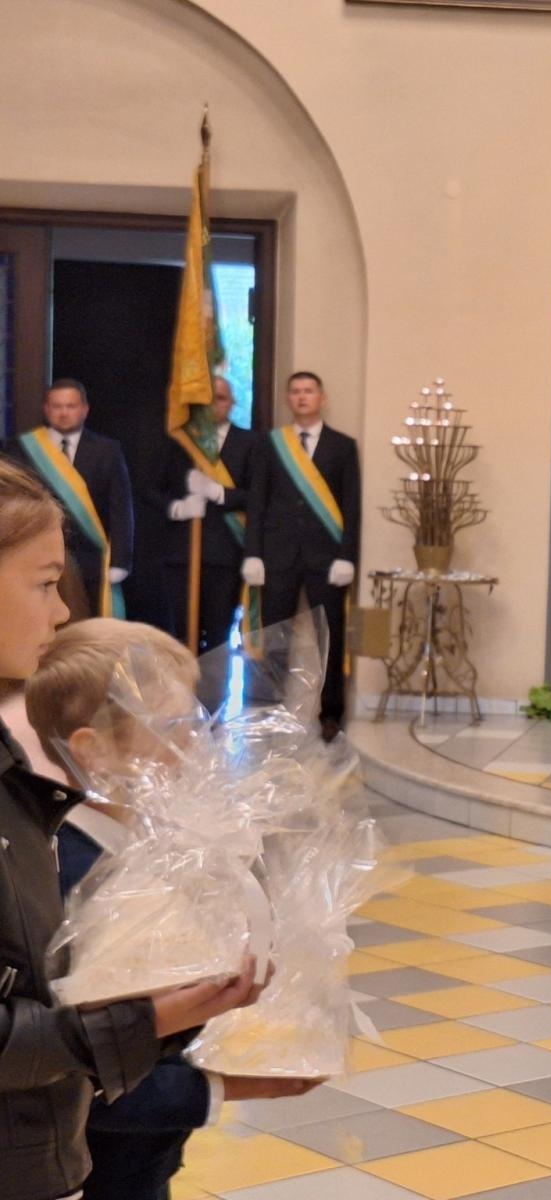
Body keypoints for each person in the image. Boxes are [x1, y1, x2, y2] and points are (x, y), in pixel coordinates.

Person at [0, 459, 262, 1200]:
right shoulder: (67, 843)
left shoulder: (22, 791)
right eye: (45, 583)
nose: (58, 615)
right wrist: (203, 1072)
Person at [24, 619, 317, 1200]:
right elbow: (83, 1072)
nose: (201, 747)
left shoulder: (149, 848)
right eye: (177, 730)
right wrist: (226, 1086)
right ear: (94, 751)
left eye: (200, 724)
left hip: (149, 1161)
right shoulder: (77, 881)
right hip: (98, 1171)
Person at [242, 371, 360, 742]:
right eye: (295, 391)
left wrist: (348, 556)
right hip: (277, 556)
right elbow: (257, 501)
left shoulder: (343, 446)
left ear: (321, 398)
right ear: (288, 400)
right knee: (275, 636)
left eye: (309, 391)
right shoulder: (271, 445)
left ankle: (331, 714)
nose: (302, 397)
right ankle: (268, 707)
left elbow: (351, 506)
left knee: (332, 638)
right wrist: (253, 553)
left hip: (326, 558)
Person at [5, 379, 135, 619]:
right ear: (46, 409)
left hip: (92, 563)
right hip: (41, 557)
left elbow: (121, 510)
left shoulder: (107, 450)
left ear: (84, 410)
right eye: (57, 406)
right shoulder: (21, 449)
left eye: (70, 406)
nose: (64, 413)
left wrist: (121, 561)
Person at [163, 376, 256, 655]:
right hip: (182, 555)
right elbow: (150, 489)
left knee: (218, 638)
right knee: (180, 635)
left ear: (232, 404)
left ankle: (213, 698)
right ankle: (182, 698)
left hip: (226, 556)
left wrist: (219, 493)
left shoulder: (251, 442)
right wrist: (176, 508)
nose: (213, 405)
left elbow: (259, 496)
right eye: (206, 399)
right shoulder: (180, 441)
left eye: (221, 398)